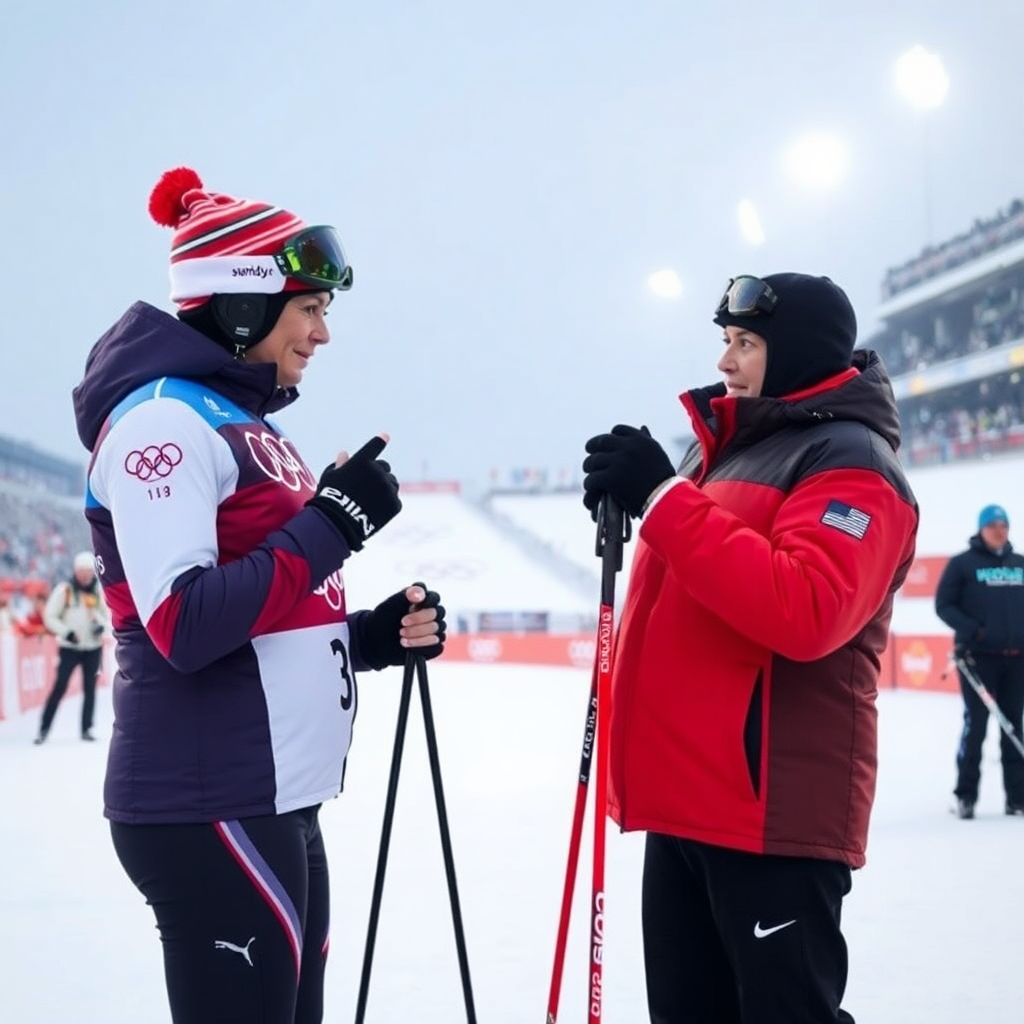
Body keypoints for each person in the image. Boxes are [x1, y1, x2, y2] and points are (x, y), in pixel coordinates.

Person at [71, 167, 447, 1024]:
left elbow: (267, 613)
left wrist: (367, 637)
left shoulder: (244, 422)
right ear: (242, 303)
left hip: (271, 796)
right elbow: (188, 624)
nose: (321, 334)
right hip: (210, 800)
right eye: (308, 308)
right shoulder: (160, 423)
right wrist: (333, 525)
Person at [581, 273, 919, 1024]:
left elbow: (806, 610)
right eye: (726, 342)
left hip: (771, 812)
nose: (726, 363)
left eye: (746, 344)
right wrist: (641, 501)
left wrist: (665, 500)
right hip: (688, 803)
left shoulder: (853, 463)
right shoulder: (730, 454)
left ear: (794, 353)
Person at [935, 503, 1024, 819]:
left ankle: (1017, 797)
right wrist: (976, 631)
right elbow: (944, 605)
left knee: (1013, 726)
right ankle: (965, 795)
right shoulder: (963, 564)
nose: (999, 531)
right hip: (977, 659)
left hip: (1016, 661)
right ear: (981, 529)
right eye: (993, 526)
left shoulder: (1019, 563)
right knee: (977, 726)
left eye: (1004, 525)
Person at [34, 552, 108, 743]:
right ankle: (44, 728)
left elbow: (107, 616)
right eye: (82, 572)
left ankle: (86, 728)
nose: (85, 576)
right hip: (70, 647)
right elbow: (50, 616)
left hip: (92, 646)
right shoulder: (65, 590)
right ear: (75, 571)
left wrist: (100, 625)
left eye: (89, 572)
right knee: (60, 686)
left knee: (90, 689)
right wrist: (66, 632)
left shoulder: (98, 591)